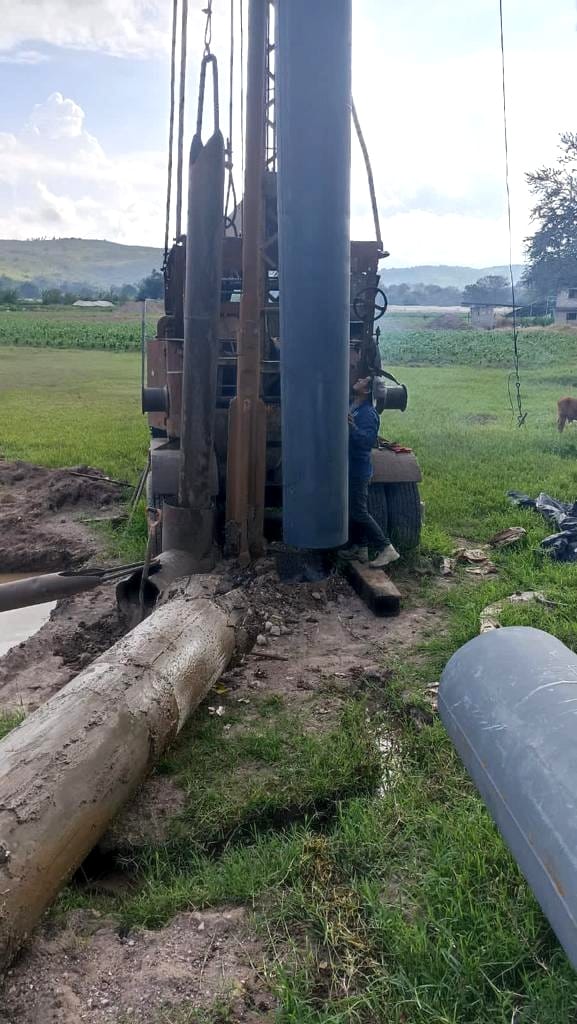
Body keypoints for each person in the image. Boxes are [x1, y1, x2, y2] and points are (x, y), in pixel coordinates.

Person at [342, 375, 400, 569]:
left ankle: (386, 548)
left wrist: (351, 427)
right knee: (353, 508)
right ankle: (360, 548)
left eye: (364, 380)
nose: (359, 378)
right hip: (351, 467)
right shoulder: (355, 406)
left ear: (366, 391)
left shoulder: (368, 413)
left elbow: (367, 442)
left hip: (359, 469)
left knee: (359, 511)